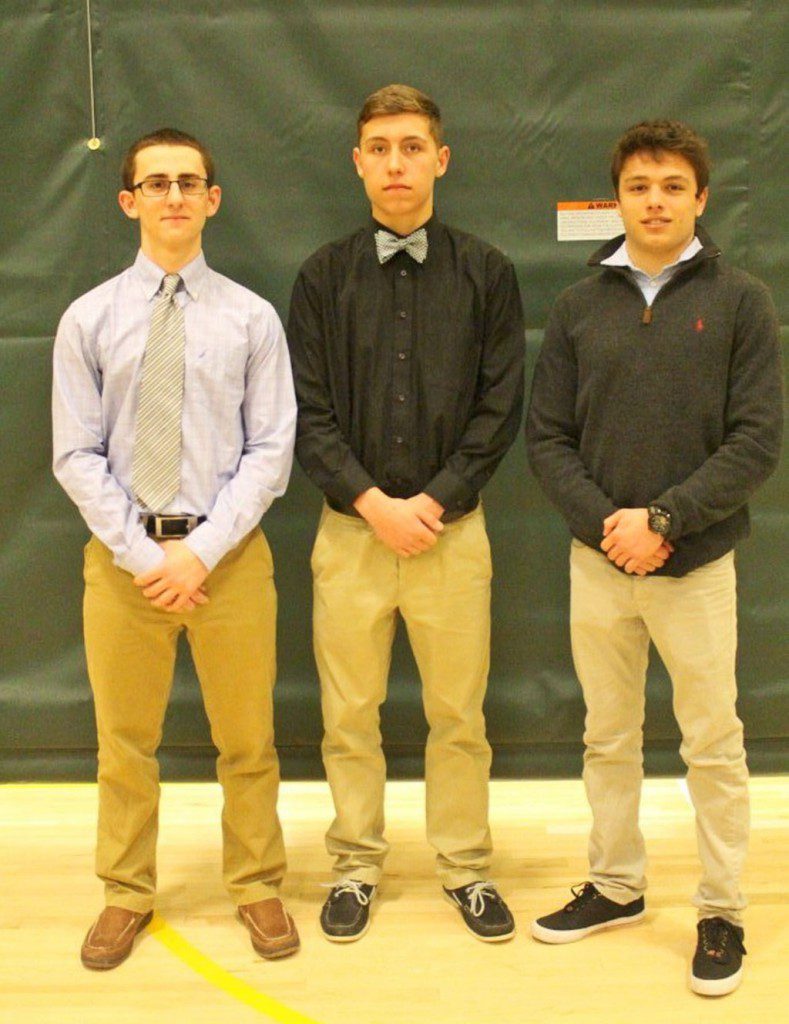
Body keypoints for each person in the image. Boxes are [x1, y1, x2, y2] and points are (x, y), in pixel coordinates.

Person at [526, 120, 782, 996]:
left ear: (700, 199)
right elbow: (547, 438)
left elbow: (755, 443)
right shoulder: (575, 307)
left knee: (711, 743)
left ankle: (720, 910)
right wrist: (612, 527)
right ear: (618, 197)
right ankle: (615, 886)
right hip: (598, 566)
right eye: (639, 185)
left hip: (696, 566)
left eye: (672, 186)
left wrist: (664, 520)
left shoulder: (742, 300)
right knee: (607, 735)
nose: (655, 200)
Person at [52, 128, 300, 968]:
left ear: (212, 199)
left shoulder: (250, 318)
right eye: (154, 184)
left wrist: (201, 551)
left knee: (248, 739)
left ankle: (258, 884)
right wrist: (144, 554)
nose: (172, 197)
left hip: (228, 559)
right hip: (125, 565)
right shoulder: (88, 318)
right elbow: (75, 455)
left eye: (188, 182)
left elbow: (271, 448)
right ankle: (126, 893)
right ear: (129, 202)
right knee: (124, 743)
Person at [287, 84, 524, 943]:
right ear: (358, 162)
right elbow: (306, 413)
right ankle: (354, 863)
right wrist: (371, 502)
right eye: (379, 147)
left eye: (411, 146)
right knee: (348, 715)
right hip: (348, 537)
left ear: (440, 159)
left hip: (452, 538)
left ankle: (464, 867)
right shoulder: (319, 278)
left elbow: (500, 410)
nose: (395, 162)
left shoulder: (488, 273)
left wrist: (430, 502)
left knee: (458, 715)